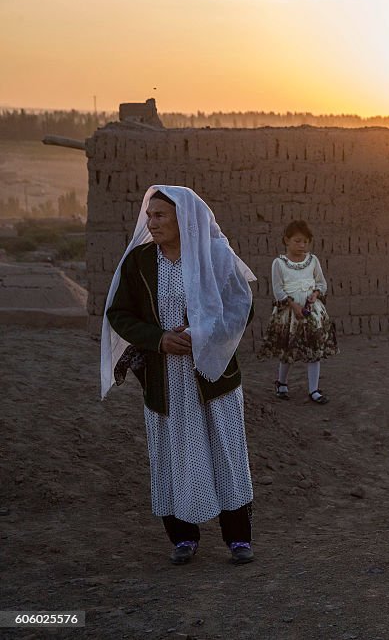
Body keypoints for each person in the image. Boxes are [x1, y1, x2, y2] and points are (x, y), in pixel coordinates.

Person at [101, 185, 258, 566]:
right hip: (165, 380)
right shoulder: (139, 263)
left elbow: (242, 308)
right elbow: (119, 314)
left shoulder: (214, 256)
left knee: (226, 452)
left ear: (183, 219)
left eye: (160, 216)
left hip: (213, 377)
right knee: (172, 455)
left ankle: (238, 539)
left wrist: (202, 332)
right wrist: (158, 339)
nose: (150, 223)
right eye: (149, 215)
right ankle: (183, 538)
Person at [259, 220, 337, 404]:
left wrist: (315, 294)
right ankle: (282, 383)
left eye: (305, 241)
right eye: (297, 241)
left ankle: (314, 390)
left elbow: (321, 283)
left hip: (312, 313)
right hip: (289, 314)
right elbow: (278, 290)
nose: (302, 245)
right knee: (289, 349)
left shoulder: (313, 261)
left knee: (314, 350)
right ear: (287, 240)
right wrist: (295, 307)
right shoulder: (279, 263)